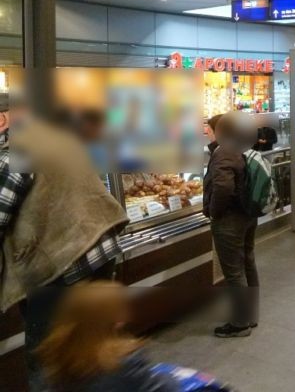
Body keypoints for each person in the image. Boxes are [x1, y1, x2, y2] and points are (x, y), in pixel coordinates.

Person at [0, 95, 129, 391]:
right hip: (100, 249)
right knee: (92, 343)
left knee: (48, 355)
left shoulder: (14, 156)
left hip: (61, 265)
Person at [37, 281, 180, 391]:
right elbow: (163, 388)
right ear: (116, 319)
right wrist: (172, 378)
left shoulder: (56, 356)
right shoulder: (126, 361)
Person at [203, 111, 259, 338]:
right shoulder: (241, 147)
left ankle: (239, 323)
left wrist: (214, 212)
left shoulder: (224, 152)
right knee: (247, 262)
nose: (207, 132)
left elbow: (224, 188)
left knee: (233, 271)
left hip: (230, 218)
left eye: (209, 129)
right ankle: (250, 315)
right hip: (247, 214)